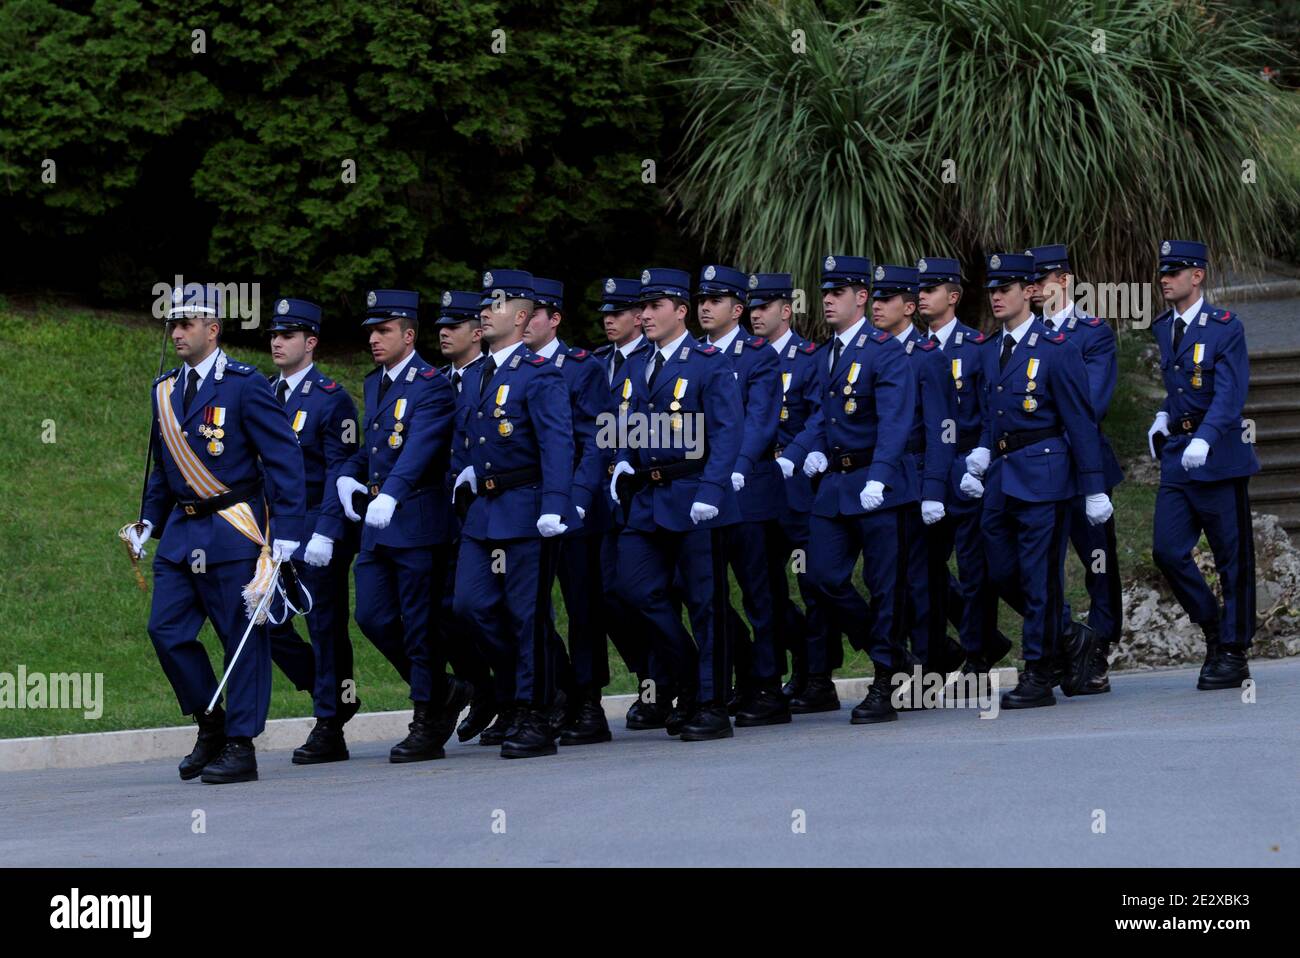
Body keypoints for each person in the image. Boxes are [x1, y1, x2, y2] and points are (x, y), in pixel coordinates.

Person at [126, 283, 306, 784]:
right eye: (173, 325)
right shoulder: (164, 389)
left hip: (232, 528)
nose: (178, 333)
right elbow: (163, 468)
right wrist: (149, 521)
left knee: (241, 640)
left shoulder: (245, 385)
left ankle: (241, 745)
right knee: (166, 631)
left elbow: (284, 456)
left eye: (186, 324)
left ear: (213, 328)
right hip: (182, 533)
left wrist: (288, 528)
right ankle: (211, 720)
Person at [958, 254, 1113, 709]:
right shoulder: (991, 349)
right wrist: (984, 450)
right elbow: (993, 413)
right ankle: (1070, 636)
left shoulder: (1056, 346)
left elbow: (1080, 420)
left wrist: (1094, 486)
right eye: (992, 290)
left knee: (1040, 576)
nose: (997, 296)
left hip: (1046, 473)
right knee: (1000, 568)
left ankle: (1039, 673)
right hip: (1002, 475)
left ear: (1029, 292)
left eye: (1006, 288)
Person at [777, 255, 917, 725]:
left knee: (884, 587)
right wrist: (799, 453)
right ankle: (892, 655)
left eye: (837, 293)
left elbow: (897, 420)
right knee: (821, 578)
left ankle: (884, 683)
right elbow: (821, 416)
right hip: (836, 486)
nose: (828, 301)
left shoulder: (886, 350)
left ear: (861, 297)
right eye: (825, 294)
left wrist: (880, 473)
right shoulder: (827, 353)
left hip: (878, 486)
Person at [334, 289, 469, 762]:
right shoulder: (377, 382)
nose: (374, 338)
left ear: (408, 335)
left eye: (384, 330)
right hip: (378, 524)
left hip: (414, 519)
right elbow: (372, 445)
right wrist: (345, 477)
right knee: (371, 616)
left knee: (419, 625)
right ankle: (444, 688)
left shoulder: (431, 383)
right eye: (371, 330)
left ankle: (427, 718)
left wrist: (390, 492)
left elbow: (422, 446)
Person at [609, 267, 743, 741]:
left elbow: (728, 432)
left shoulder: (707, 362)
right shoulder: (636, 364)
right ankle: (688, 675)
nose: (643, 315)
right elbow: (624, 423)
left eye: (654, 307)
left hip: (693, 497)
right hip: (647, 499)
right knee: (633, 589)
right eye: (641, 307)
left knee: (706, 603)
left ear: (680, 311)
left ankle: (711, 704)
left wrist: (712, 490)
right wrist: (623, 461)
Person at [451, 269, 578, 758]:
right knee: (471, 606)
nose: (485, 310)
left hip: (526, 510)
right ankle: (516, 694)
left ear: (523, 317)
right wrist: (463, 474)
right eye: (484, 302)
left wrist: (555, 505)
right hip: (483, 513)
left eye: (497, 304)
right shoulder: (479, 374)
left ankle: (534, 714)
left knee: (526, 617)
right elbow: (470, 440)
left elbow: (558, 444)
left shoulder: (539, 374)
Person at [1147, 240, 1259, 690]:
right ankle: (1213, 628)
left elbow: (1230, 394)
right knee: (1167, 550)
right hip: (1179, 458)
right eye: (1162, 273)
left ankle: (1234, 651)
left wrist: (1207, 437)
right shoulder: (1162, 327)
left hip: (1219, 460)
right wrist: (1162, 416)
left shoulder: (1225, 327)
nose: (1165, 280)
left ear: (1197, 276)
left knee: (1232, 558)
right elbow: (1178, 389)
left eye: (1175, 272)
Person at [264, 297, 362, 764]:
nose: (277, 343)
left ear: (311, 342)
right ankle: (327, 690)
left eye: (287, 335)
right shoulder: (264, 393)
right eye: (274, 335)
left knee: (324, 626)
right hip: (268, 532)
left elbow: (339, 471)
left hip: (316, 531)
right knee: (261, 619)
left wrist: (326, 531)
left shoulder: (331, 399)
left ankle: (330, 723)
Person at [1026, 244, 1125, 693]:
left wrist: (1050, 445)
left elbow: (1091, 404)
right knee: (1036, 565)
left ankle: (1098, 646)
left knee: (1098, 563)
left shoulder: (1094, 333)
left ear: (1063, 280)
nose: (1032, 288)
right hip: (1034, 473)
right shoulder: (1025, 337)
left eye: (1041, 279)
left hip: (1082, 468)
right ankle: (1066, 641)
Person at [694, 264, 789, 726]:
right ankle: (738, 676)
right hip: (703, 493)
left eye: (714, 301)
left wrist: (737, 466)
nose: (705, 308)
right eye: (701, 300)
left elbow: (761, 421)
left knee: (760, 593)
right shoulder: (691, 357)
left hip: (748, 490)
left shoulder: (759, 356)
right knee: (708, 595)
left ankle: (769, 688)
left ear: (737, 309)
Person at [524, 276, 616, 745]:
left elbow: (596, 440)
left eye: (532, 313)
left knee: (583, 608)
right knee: (530, 609)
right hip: (527, 508)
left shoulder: (582, 367)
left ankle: (589, 704)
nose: (523, 321)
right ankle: (557, 690)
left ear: (553, 319)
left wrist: (576, 499)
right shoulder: (511, 368)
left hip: (575, 508)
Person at [915, 257, 1011, 678]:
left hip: (968, 467)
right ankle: (936, 652)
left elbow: (992, 409)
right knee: (927, 570)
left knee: (974, 570)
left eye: (931, 289)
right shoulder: (913, 349)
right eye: (918, 289)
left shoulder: (976, 348)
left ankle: (977, 654)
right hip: (928, 472)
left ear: (952, 298)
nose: (921, 296)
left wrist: (984, 456)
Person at [751, 272, 841, 712]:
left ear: (785, 311)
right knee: (765, 589)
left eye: (763, 307)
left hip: (799, 485)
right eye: (751, 307)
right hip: (756, 486)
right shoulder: (744, 359)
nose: (755, 315)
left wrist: (800, 454)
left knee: (813, 586)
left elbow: (819, 417)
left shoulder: (810, 358)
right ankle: (794, 664)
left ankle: (820, 678)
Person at [869, 265, 962, 681]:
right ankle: (909, 658)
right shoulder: (868, 351)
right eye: (874, 299)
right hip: (881, 478)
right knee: (887, 579)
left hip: (919, 476)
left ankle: (927, 669)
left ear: (908, 308)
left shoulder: (927, 357)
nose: (876, 306)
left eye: (886, 300)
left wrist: (935, 489)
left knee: (922, 581)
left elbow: (943, 428)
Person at [592, 277, 660, 727]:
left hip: (646, 489)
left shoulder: (652, 360)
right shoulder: (597, 363)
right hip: (604, 493)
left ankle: (668, 682)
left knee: (653, 594)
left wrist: (627, 456)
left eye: (618, 313)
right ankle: (648, 677)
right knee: (610, 594)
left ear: (639, 317)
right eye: (605, 314)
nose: (609, 321)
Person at [435, 290, 498, 742]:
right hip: (440, 514)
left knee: (493, 607)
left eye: (453, 326)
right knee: (447, 612)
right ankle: (485, 688)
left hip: (485, 511)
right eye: (441, 326)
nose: (443, 333)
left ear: (477, 333)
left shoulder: (491, 377)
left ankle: (530, 695)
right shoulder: (436, 381)